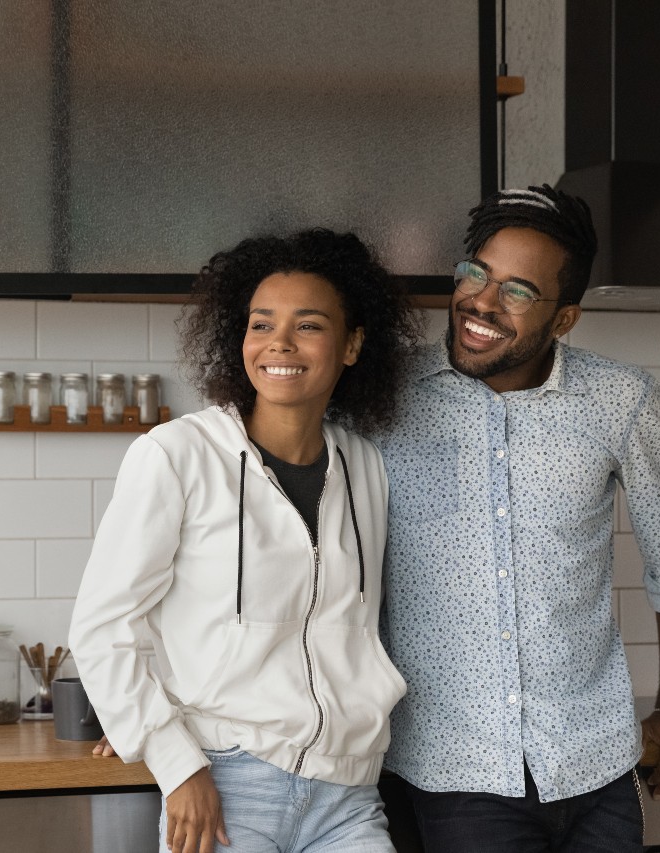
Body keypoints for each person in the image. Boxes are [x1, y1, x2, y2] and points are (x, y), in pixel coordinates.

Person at [378, 184, 660, 852]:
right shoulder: (383, 400)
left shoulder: (622, 400)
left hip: (599, 769)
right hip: (453, 776)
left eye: (517, 290)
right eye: (476, 273)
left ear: (563, 320)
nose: (482, 301)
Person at [69, 228, 422, 853]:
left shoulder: (367, 465)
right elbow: (104, 624)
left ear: (352, 344)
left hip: (349, 795)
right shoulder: (176, 455)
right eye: (261, 324)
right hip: (227, 787)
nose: (279, 343)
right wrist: (173, 758)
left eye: (308, 325)